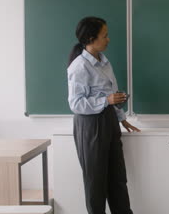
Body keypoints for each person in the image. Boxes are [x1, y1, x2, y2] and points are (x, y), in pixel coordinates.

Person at [67, 16, 140, 214]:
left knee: (117, 177)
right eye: (104, 36)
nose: (108, 39)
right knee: (95, 181)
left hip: (109, 121)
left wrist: (121, 118)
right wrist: (106, 101)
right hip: (90, 125)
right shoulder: (79, 66)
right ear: (91, 38)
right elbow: (75, 103)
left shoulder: (105, 62)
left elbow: (112, 92)